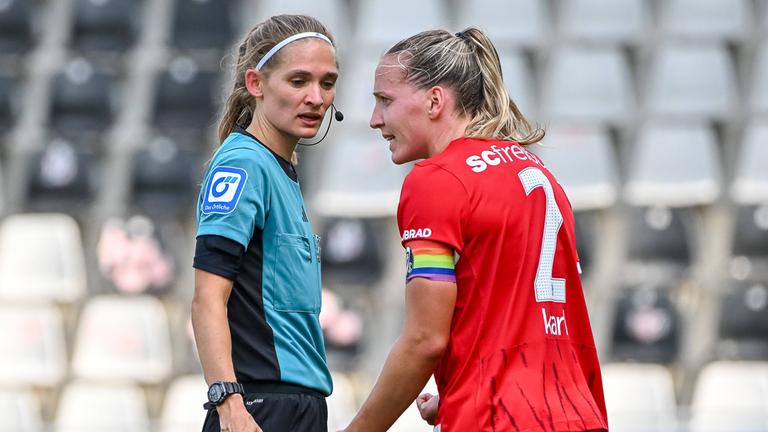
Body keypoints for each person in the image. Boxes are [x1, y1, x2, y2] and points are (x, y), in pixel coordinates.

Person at [340, 28, 608, 432]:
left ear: (434, 101)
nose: (376, 119)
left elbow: (424, 341)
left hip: (498, 418)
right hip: (576, 414)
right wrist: (455, 394)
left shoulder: (436, 180)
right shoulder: (537, 173)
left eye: (385, 101)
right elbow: (516, 316)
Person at [191, 14, 339, 432]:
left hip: (299, 406)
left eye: (327, 83)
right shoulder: (243, 164)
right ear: (256, 84)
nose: (316, 97)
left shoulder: (280, 169)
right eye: (298, 81)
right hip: (259, 407)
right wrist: (228, 402)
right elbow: (207, 297)